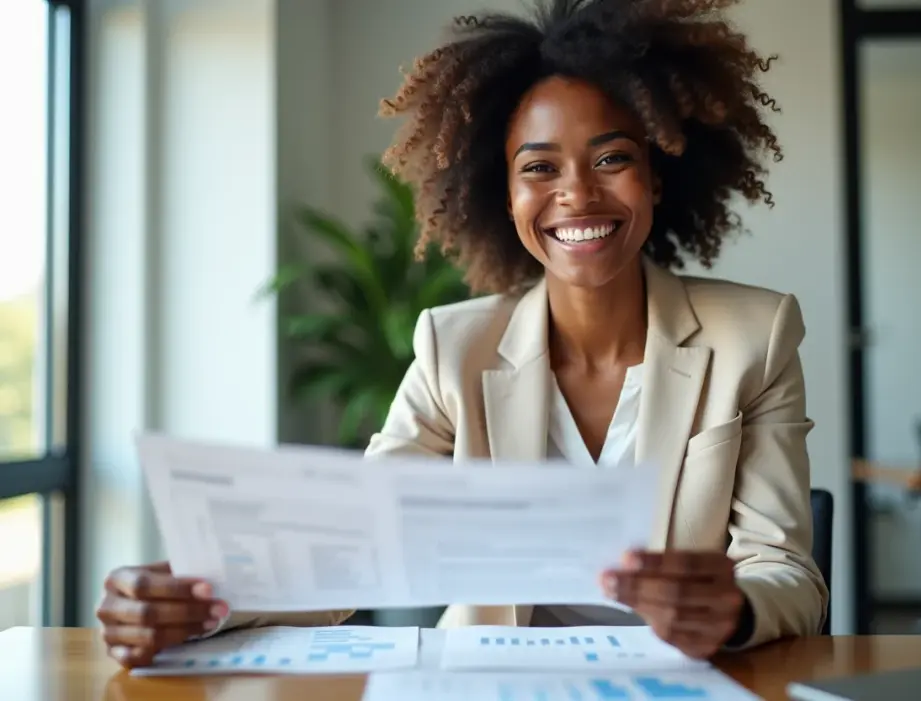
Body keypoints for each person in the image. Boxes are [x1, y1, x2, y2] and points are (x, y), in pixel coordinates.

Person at [96, 0, 828, 669]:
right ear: (504, 196)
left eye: (612, 158)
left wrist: (731, 607)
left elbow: (786, 570)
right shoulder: (454, 349)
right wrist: (196, 597)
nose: (577, 192)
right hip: (491, 681)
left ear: (657, 177)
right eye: (539, 168)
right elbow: (350, 552)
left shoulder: (753, 337)